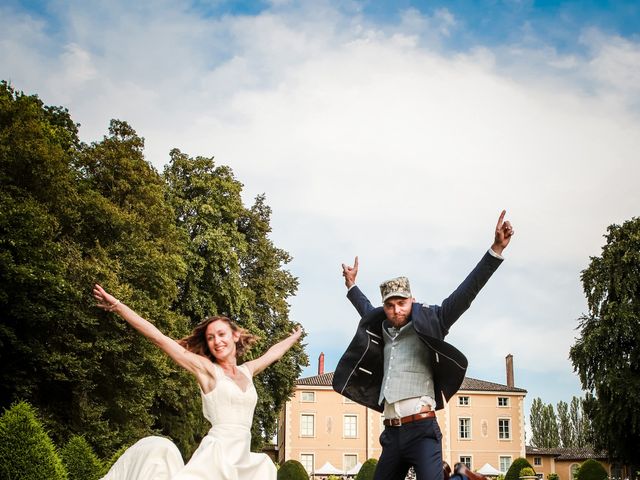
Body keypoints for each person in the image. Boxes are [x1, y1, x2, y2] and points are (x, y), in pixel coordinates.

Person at [332, 210, 514, 480]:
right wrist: (351, 285)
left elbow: (466, 293)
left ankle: (462, 477)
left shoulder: (434, 320)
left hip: (422, 429)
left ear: (412, 300)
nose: (395, 311)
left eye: (401, 304)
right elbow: (365, 308)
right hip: (391, 433)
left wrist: (496, 249)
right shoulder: (380, 325)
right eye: (390, 306)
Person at [93, 284, 303, 480]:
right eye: (211, 338)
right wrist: (118, 306)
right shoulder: (208, 371)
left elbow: (273, 354)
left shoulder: (247, 371)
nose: (217, 341)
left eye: (221, 334)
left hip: (244, 457)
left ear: (236, 336)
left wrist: (294, 338)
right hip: (216, 456)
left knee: (265, 467)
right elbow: (159, 338)